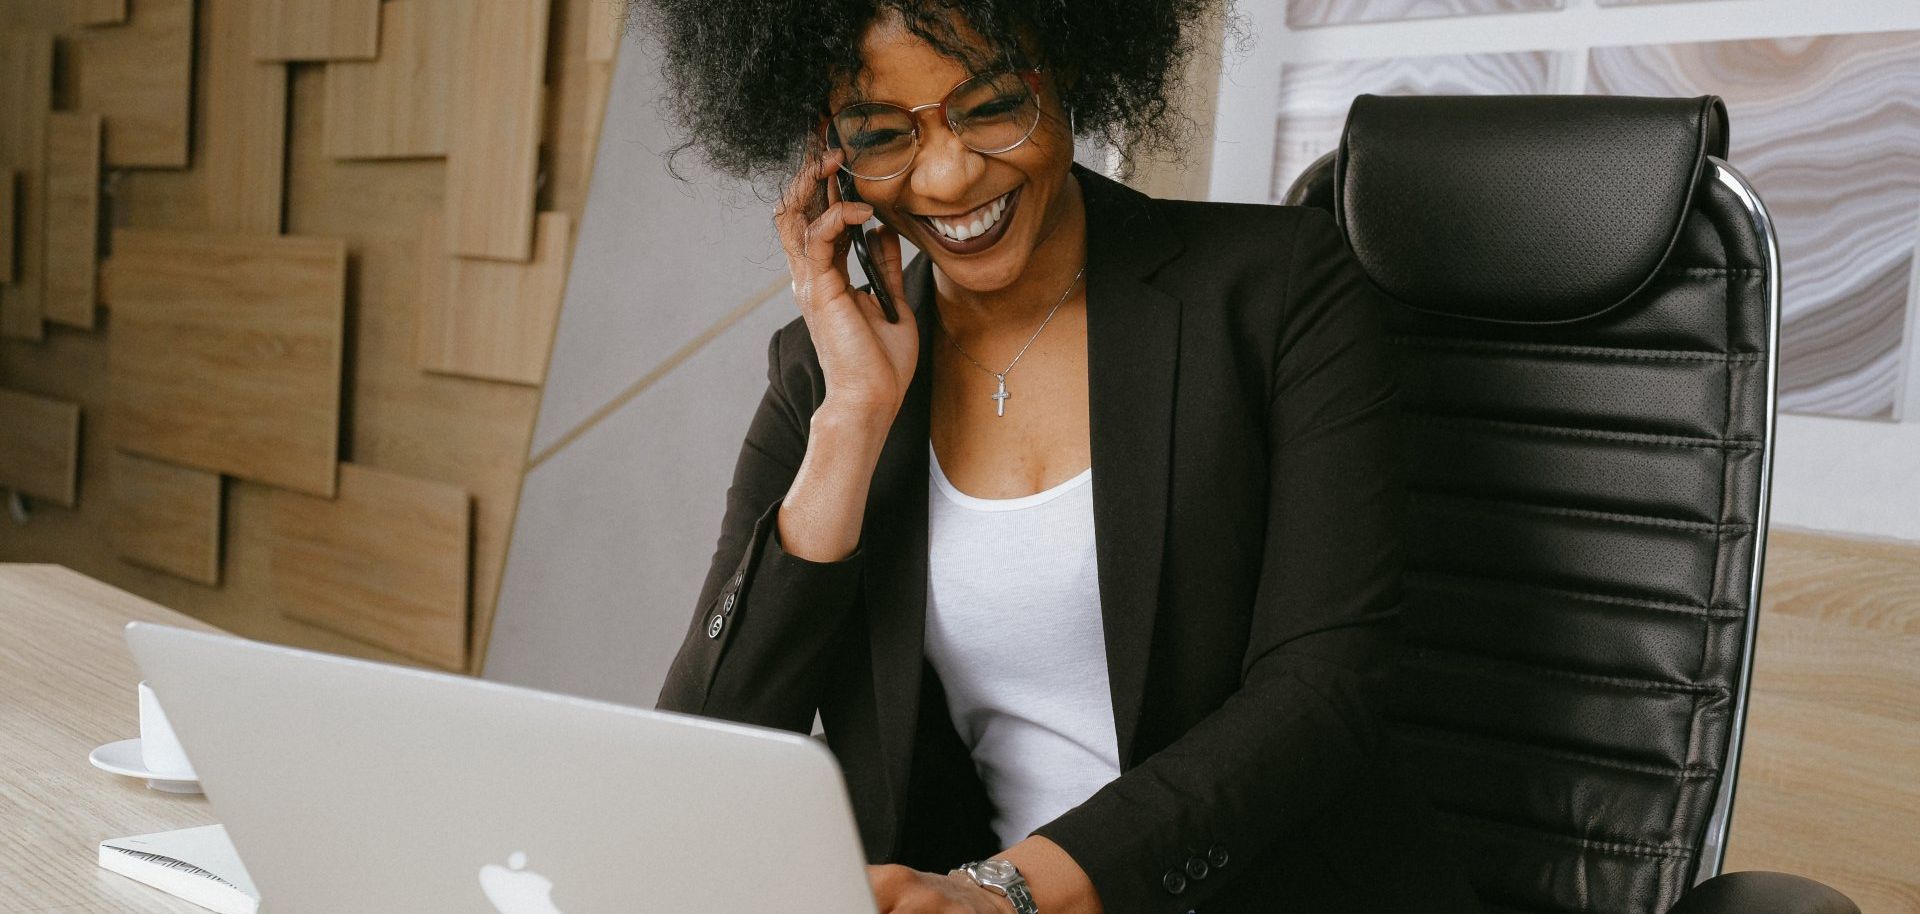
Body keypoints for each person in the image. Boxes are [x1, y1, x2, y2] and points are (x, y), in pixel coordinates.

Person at [637, 1, 1482, 911]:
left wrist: (1007, 894)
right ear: (828, 149)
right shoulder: (824, 371)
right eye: (883, 134)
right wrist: (852, 418)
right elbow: (705, 758)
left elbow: (1321, 693)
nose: (951, 174)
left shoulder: (1274, 290)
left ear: (1071, 69)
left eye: (994, 105)